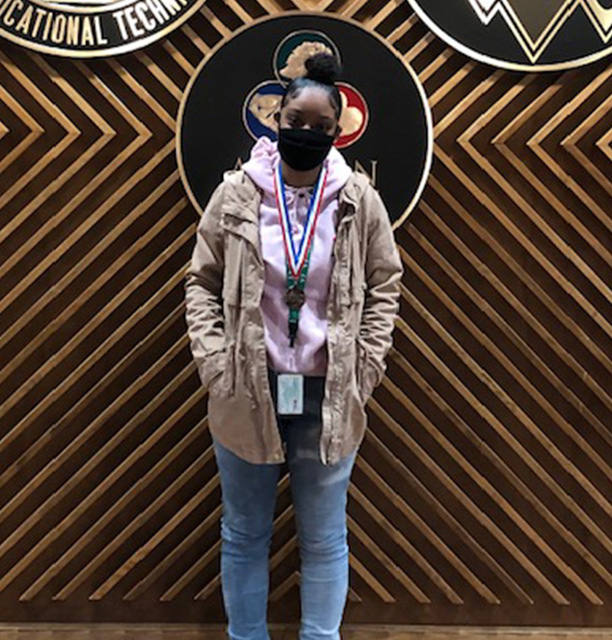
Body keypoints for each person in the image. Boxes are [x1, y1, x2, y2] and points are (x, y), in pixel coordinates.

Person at [184, 52, 403, 640]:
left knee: (325, 536)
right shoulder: (236, 195)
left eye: (319, 126)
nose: (305, 134)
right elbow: (200, 281)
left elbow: (386, 284)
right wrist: (214, 363)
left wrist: (366, 368)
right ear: (274, 120)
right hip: (246, 388)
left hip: (329, 393)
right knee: (245, 532)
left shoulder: (359, 200)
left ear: (338, 131)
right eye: (294, 121)